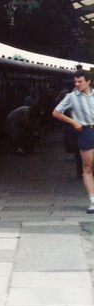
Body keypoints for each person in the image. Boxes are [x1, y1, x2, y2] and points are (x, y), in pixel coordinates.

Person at [52, 69, 94, 213]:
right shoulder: (71, 97)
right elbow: (56, 112)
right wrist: (73, 121)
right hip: (85, 132)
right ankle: (93, 202)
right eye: (75, 81)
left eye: (80, 81)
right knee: (87, 167)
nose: (77, 84)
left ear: (88, 81)